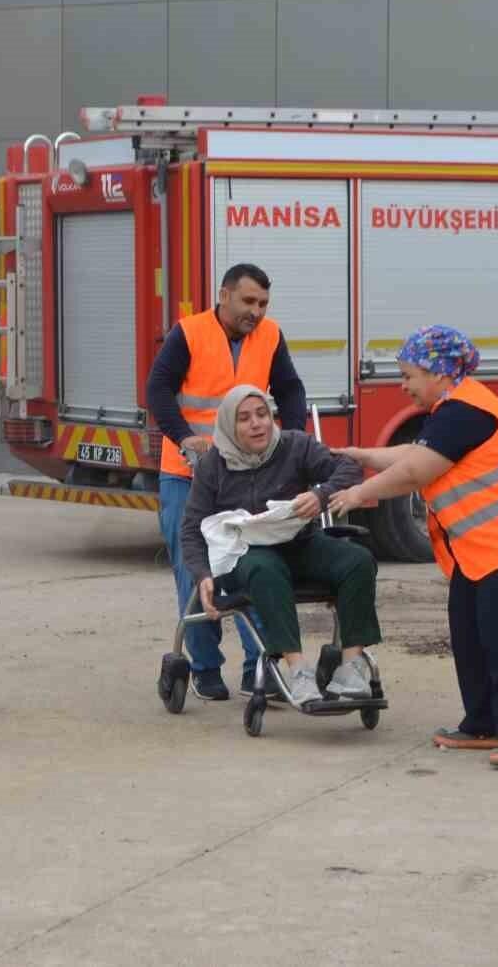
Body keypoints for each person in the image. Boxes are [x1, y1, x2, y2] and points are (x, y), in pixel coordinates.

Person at [326, 325, 498, 769]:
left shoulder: (466, 411)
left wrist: (358, 495)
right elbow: (413, 452)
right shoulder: (453, 411)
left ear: (438, 372)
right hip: (488, 547)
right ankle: (482, 723)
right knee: (469, 630)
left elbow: (415, 472)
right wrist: (363, 456)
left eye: (409, 375)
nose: (403, 386)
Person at [146, 263, 307, 701]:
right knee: (196, 570)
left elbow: (291, 390)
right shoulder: (189, 332)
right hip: (188, 474)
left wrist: (292, 442)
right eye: (248, 301)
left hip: (252, 474)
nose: (256, 311)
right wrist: (183, 438)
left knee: (257, 564)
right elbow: (158, 389)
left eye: (263, 304)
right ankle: (205, 667)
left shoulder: (270, 335)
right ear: (224, 295)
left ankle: (262, 667)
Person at [179, 385, 378, 707]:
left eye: (262, 414)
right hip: (249, 552)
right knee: (263, 569)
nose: (256, 424)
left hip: (300, 542)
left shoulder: (295, 445)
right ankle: (298, 670)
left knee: (358, 560)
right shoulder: (212, 465)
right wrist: (202, 573)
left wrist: (320, 495)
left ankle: (352, 667)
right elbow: (191, 528)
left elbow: (349, 467)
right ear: (230, 426)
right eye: (244, 418)